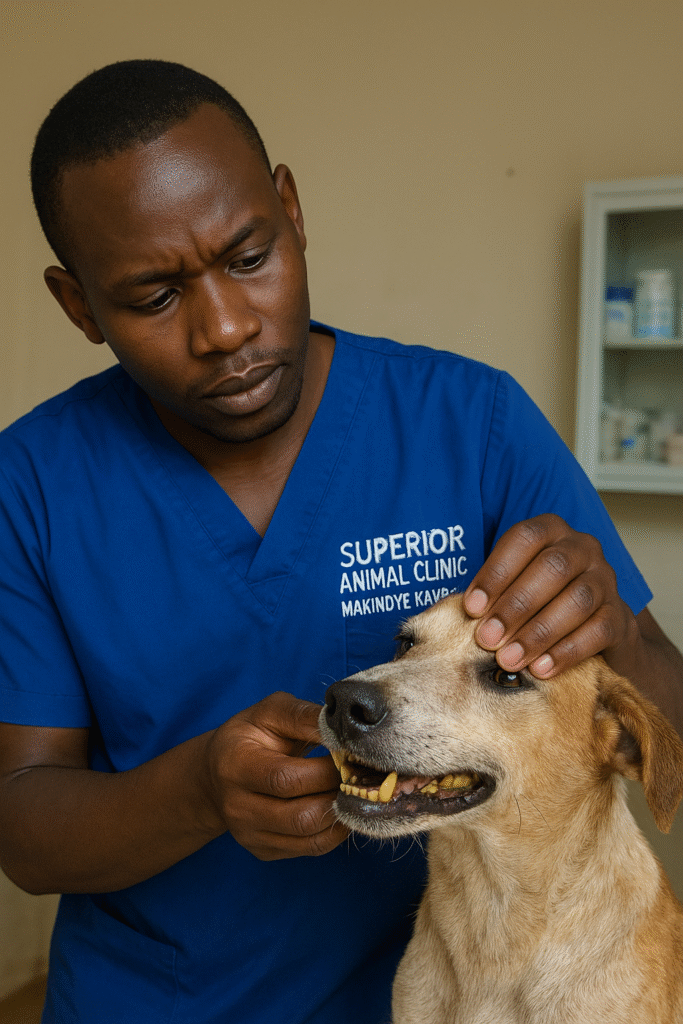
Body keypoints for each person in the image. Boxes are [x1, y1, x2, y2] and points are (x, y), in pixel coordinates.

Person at [0, 59, 681, 1024]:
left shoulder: (471, 424)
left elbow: (658, 724)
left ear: (290, 210)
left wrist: (610, 620)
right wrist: (197, 791)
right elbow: (23, 824)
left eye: (249, 256)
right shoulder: (29, 487)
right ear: (79, 307)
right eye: (154, 297)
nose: (227, 327)